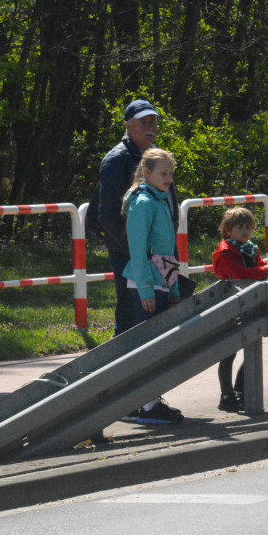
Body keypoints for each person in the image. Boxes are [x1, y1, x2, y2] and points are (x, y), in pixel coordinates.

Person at [119, 148, 184, 425]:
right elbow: (137, 248)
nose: (168, 178)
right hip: (145, 282)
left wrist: (175, 288)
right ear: (146, 172)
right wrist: (145, 289)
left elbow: (166, 250)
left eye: (170, 173)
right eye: (163, 173)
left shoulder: (159, 199)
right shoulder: (144, 202)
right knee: (149, 346)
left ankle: (147, 401)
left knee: (157, 344)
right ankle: (147, 406)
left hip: (160, 280)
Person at [96, 99, 169, 337]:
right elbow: (107, 214)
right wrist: (139, 252)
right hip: (129, 254)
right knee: (131, 320)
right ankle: (122, 371)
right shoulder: (116, 159)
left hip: (159, 255)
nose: (149, 127)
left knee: (159, 319)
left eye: (152, 122)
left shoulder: (158, 158)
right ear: (127, 126)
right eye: (142, 123)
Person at [212, 207, 268, 411]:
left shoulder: (251, 248)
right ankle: (227, 395)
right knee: (228, 352)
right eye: (239, 228)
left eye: (248, 227)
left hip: (249, 304)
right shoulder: (224, 252)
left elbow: (257, 269)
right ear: (227, 230)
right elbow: (240, 274)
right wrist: (263, 271)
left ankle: (241, 390)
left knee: (252, 348)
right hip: (229, 305)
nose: (245, 232)